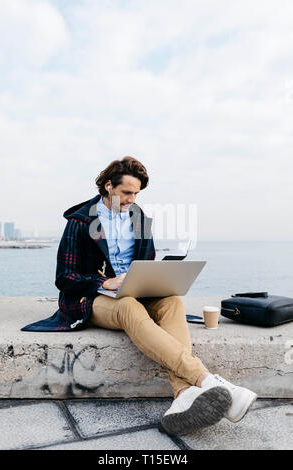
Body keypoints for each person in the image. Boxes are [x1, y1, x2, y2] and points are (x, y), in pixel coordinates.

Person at [22, 156, 257, 436]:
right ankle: (208, 380)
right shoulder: (80, 221)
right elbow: (64, 278)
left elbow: (148, 260)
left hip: (132, 291)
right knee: (129, 307)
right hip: (91, 299)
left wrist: (152, 279)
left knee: (172, 302)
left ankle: (183, 395)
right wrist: (106, 282)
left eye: (136, 193)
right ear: (108, 186)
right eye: (127, 192)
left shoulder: (139, 218)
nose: (132, 199)